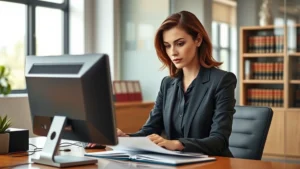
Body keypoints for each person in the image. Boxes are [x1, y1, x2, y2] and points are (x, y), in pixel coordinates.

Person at [92, 10, 237, 157]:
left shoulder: (222, 81)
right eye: (167, 45)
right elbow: (150, 130)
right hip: (178, 162)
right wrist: (124, 139)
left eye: (180, 43)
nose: (173, 52)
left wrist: (177, 144)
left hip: (214, 163)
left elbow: (219, 140)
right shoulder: (168, 84)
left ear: (198, 40)